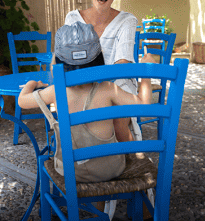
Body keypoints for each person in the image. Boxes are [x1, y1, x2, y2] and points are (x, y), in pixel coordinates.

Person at [18, 22, 157, 183]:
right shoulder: (108, 88)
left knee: (48, 158)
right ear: (99, 59)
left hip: (72, 172)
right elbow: (144, 104)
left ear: (57, 63)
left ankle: (88, 202)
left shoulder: (56, 91)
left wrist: (32, 84)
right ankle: (101, 202)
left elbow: (22, 101)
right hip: (112, 169)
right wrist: (147, 70)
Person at [64, 0, 140, 142]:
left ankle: (132, 158)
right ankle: (90, 158)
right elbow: (69, 59)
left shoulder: (127, 20)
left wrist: (99, 84)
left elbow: (122, 63)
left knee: (116, 115)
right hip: (83, 81)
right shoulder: (73, 18)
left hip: (119, 81)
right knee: (74, 110)